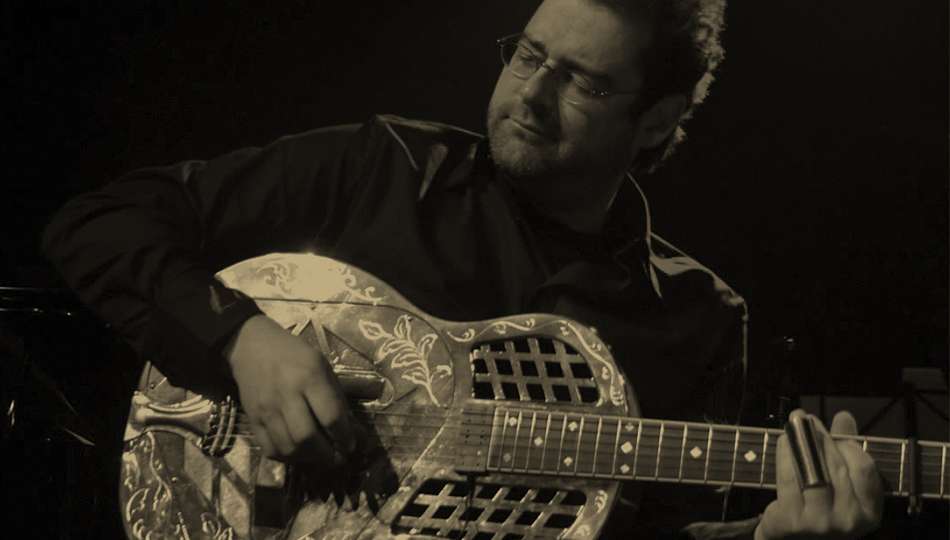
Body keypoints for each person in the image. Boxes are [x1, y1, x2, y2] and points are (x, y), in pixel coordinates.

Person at [44, 0, 883, 537]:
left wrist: (769, 536)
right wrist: (240, 339)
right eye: (528, 54)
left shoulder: (700, 318)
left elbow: (659, 532)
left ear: (658, 120)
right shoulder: (381, 168)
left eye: (583, 83)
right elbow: (98, 223)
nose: (530, 95)